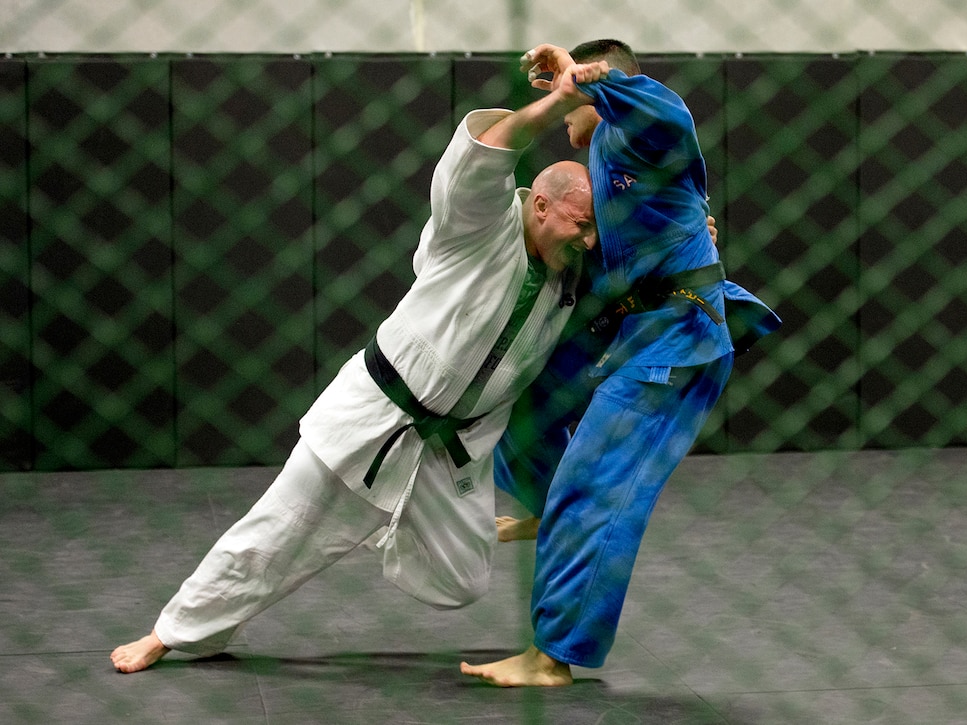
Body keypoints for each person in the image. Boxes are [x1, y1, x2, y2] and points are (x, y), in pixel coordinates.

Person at [110, 83, 601, 673]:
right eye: (580, 225)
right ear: (541, 206)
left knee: (462, 581)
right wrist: (555, 103)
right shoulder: (475, 230)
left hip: (455, 446)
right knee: (276, 532)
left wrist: (692, 240)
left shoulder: (571, 267)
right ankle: (171, 632)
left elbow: (642, 251)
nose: (589, 240)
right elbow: (484, 153)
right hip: (375, 414)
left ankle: (379, 517)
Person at [461, 40, 781, 687]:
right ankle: (546, 502)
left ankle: (552, 655)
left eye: (566, 98)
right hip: (636, 323)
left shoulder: (638, 131)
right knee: (521, 399)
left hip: (677, 338)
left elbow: (670, 117)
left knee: (593, 489)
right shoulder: (605, 153)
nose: (561, 116)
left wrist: (588, 80)